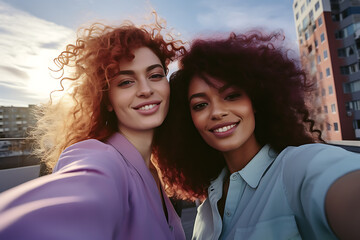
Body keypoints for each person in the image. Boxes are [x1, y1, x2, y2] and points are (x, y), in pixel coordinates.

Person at [154, 31, 360, 239]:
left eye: (232, 96)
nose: (217, 112)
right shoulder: (206, 209)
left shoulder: (297, 168)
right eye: (200, 105)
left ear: (256, 102)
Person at [0, 17, 186, 240]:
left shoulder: (153, 170)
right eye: (125, 82)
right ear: (106, 99)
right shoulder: (100, 159)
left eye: (155, 75)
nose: (146, 89)